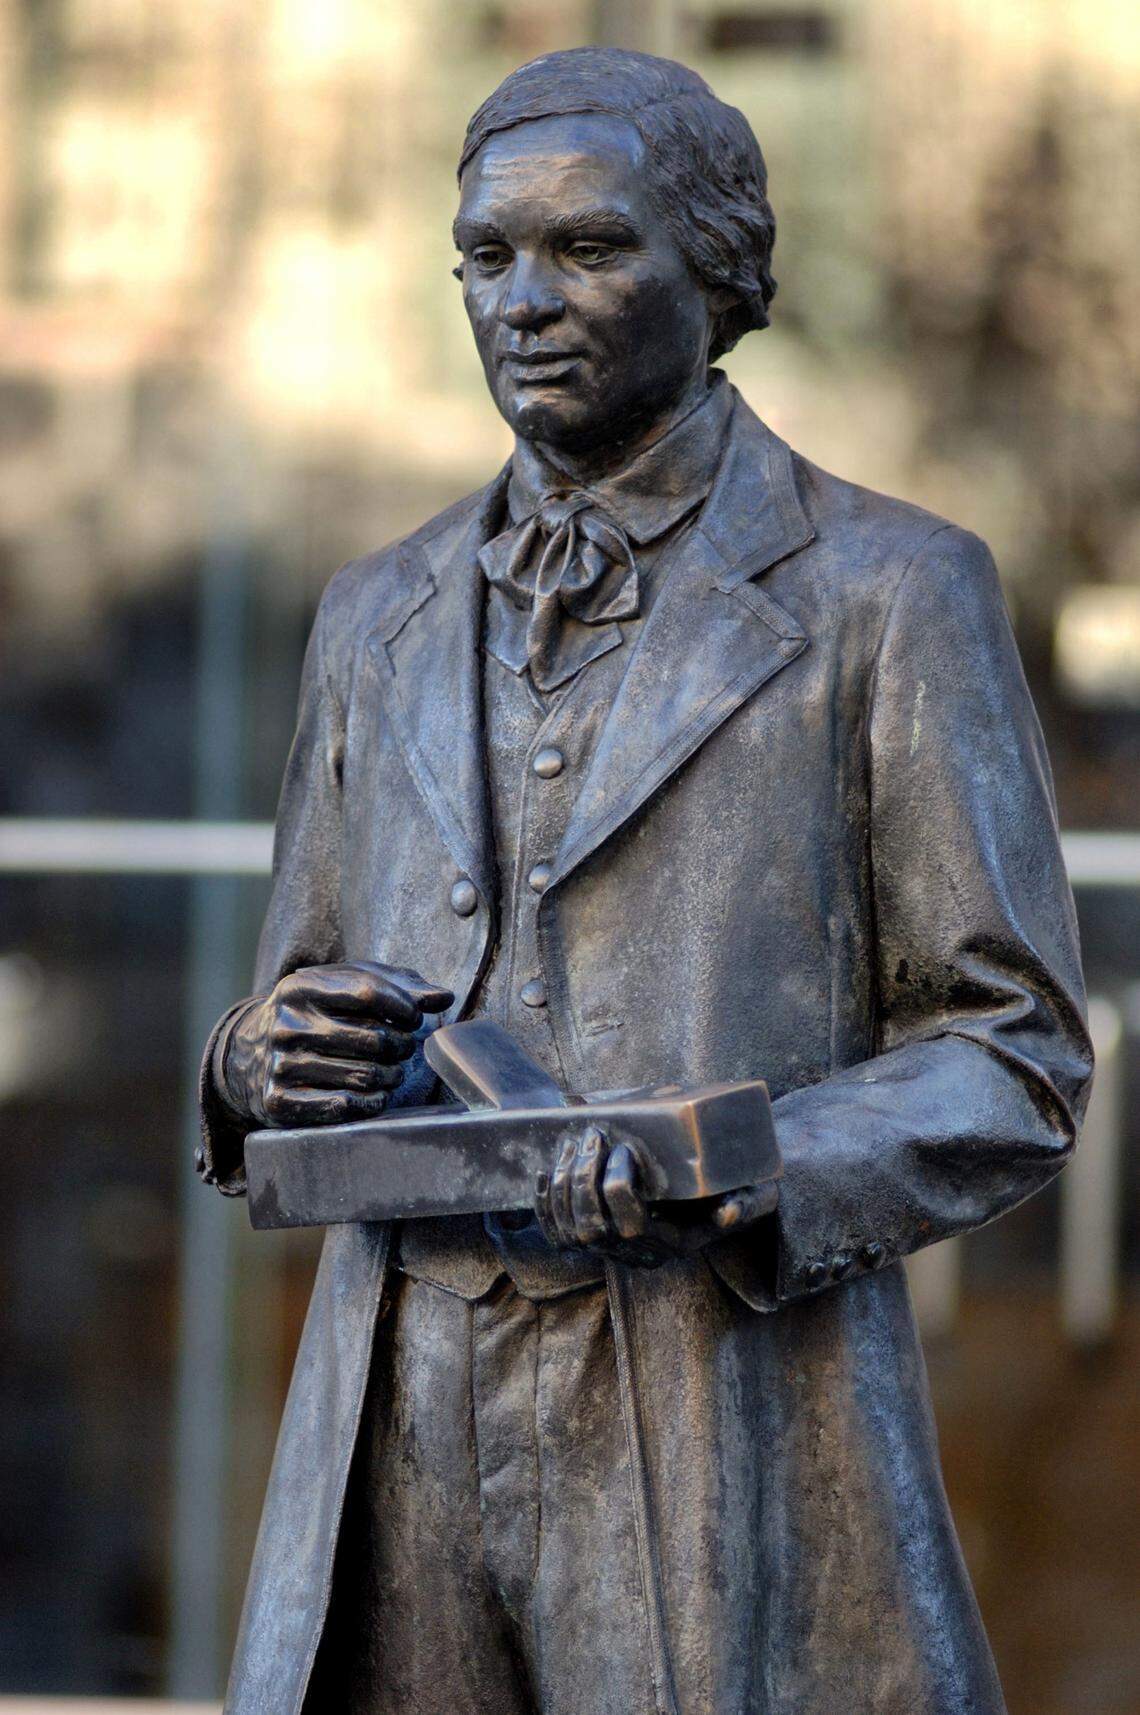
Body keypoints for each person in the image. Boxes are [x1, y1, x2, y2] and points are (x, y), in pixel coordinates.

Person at [197, 47, 1092, 1715]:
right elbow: (297, 991)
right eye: (487, 257)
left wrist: (728, 1158)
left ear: (720, 272)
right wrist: (254, 1061)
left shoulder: (890, 593)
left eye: (589, 250)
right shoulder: (371, 618)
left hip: (712, 1386)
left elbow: (1016, 1050)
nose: (525, 301)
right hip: (400, 1395)